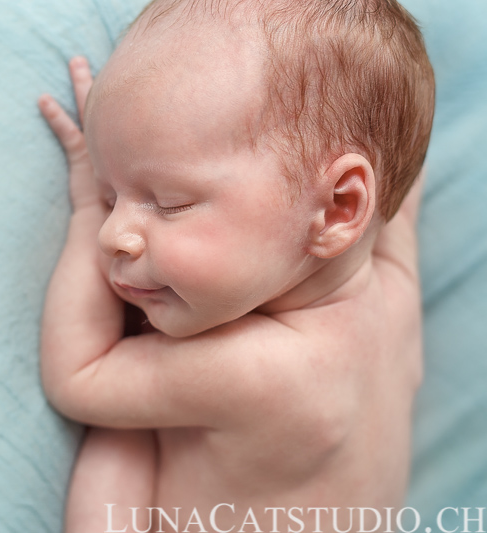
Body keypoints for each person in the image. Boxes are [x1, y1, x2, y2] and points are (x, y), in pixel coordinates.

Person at [37, 0, 435, 530]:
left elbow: (79, 376)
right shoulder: (398, 288)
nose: (113, 236)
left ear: (338, 208)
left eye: (169, 201)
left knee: (119, 437)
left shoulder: (256, 371)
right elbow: (403, 184)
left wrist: (86, 204)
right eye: (110, 199)